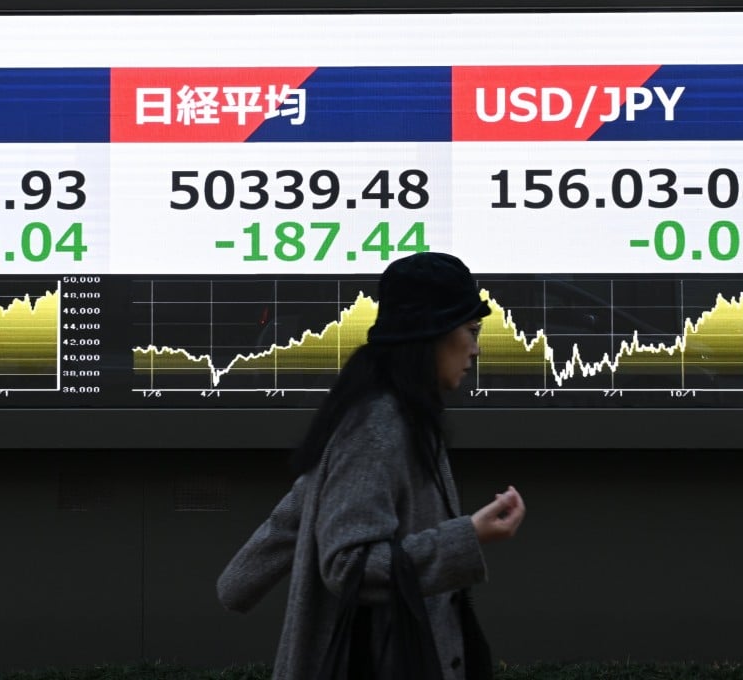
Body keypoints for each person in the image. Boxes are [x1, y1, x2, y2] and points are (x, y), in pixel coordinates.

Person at [216, 251, 526, 680]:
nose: (475, 348)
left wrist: (240, 581)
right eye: (471, 331)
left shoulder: (388, 410)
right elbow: (349, 566)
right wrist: (467, 536)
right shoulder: (380, 424)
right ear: (431, 334)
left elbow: (304, 504)